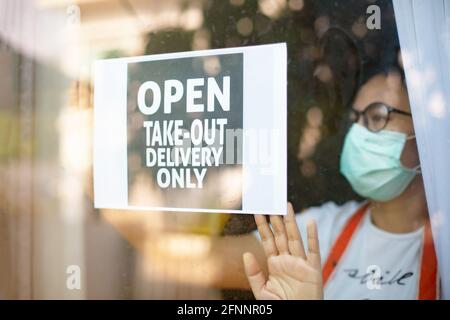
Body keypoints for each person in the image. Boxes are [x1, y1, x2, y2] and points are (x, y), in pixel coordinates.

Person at [240, 69, 439, 299]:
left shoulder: (445, 249)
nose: (358, 134)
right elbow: (206, 262)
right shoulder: (323, 230)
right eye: (355, 119)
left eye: (377, 117)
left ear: (426, 131)